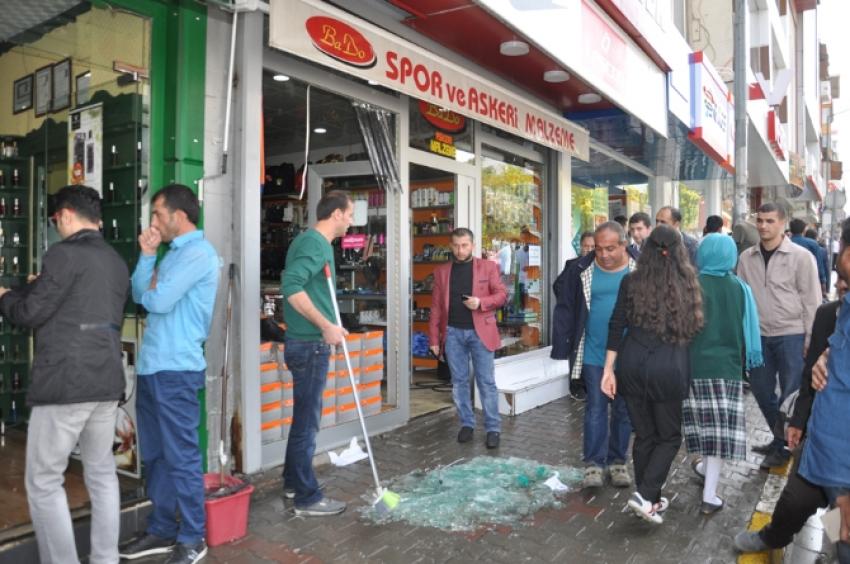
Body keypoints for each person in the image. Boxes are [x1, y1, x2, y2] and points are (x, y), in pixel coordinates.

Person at [0, 186, 128, 564]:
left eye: (55, 220)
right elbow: (78, 305)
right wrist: (39, 284)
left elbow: (30, 314)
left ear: (67, 215)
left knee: (43, 480)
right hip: (105, 381)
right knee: (102, 473)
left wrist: (5, 294)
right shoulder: (115, 260)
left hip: (67, 384)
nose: (56, 227)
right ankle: (105, 559)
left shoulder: (63, 254)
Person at [120, 185, 220, 564]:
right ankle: (162, 530)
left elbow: (156, 300)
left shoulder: (198, 253)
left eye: (158, 215)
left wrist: (152, 287)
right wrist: (146, 256)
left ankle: (193, 537)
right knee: (158, 458)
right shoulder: (171, 253)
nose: (153, 223)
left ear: (179, 216)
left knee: (181, 458)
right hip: (153, 368)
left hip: (177, 370)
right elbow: (139, 294)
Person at [734, 273, 848, 556]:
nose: (843, 290)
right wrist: (798, 420)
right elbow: (811, 376)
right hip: (823, 441)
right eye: (842, 282)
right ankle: (773, 538)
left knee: (841, 514)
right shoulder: (827, 315)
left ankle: (834, 546)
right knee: (795, 501)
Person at [601, 225, 704, 524]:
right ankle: (645, 495)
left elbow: (615, 323)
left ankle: (649, 498)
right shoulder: (688, 283)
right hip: (668, 368)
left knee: (645, 434)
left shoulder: (630, 282)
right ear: (678, 252)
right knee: (669, 437)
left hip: (631, 365)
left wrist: (608, 369)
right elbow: (694, 330)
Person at [276, 190, 352, 516]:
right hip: (310, 345)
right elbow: (290, 284)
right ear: (336, 214)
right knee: (308, 425)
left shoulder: (315, 243)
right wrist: (324, 326)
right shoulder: (314, 244)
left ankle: (293, 481)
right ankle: (307, 498)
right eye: (349, 215)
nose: (350, 221)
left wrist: (334, 325)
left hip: (311, 342)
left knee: (303, 421)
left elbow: (312, 291)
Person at [552, 222, 638, 489]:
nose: (604, 254)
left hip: (630, 353)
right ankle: (593, 464)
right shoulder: (581, 269)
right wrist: (563, 344)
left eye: (610, 249)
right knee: (596, 409)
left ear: (624, 244)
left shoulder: (641, 269)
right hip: (593, 351)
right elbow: (564, 303)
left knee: (623, 410)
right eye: (599, 248)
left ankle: (618, 461)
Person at [736, 203, 821, 470]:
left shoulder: (801, 256)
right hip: (758, 336)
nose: (763, 226)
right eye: (760, 221)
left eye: (770, 221)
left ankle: (783, 446)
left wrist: (811, 339)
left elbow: (812, 300)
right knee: (761, 390)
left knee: (791, 394)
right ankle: (780, 436)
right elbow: (743, 300)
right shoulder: (746, 258)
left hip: (791, 334)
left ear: (783, 223)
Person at [685, 234, 763, 515]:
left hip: (692, 368)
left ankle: (705, 470)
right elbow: (749, 333)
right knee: (718, 432)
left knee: (702, 427)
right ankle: (710, 494)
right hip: (727, 369)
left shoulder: (690, 286)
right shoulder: (741, 289)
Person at [429, 228, 507, 448]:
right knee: (459, 381)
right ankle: (467, 423)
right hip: (452, 333)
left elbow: (502, 295)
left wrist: (481, 303)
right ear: (450, 246)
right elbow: (435, 307)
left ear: (472, 245)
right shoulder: (442, 271)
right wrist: (434, 339)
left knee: (486, 382)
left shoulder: (488, 267)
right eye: (456, 245)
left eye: (464, 245)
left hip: (480, 331)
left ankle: (493, 428)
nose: (460, 249)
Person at [789, 218, 827, 295]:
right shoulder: (812, 244)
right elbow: (819, 265)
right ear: (804, 230)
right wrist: (823, 284)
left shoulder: (784, 243)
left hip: (788, 284)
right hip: (809, 282)